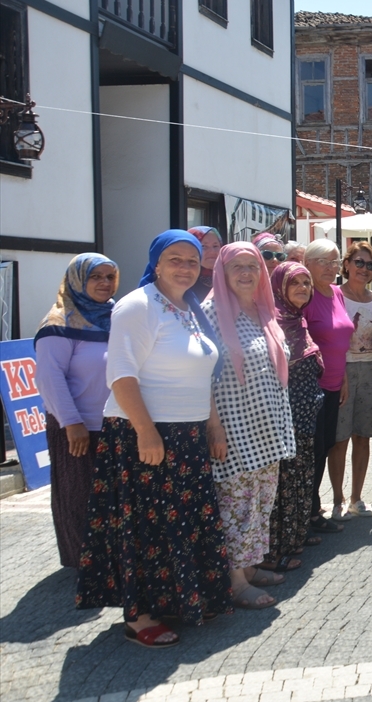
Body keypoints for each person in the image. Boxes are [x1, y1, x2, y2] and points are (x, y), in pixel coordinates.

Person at [76, 230, 231, 649]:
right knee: (144, 527)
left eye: (192, 261)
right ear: (156, 263)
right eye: (174, 259)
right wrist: (146, 431)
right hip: (144, 432)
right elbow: (121, 375)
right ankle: (139, 616)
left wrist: (213, 426)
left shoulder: (187, 307)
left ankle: (176, 599)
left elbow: (204, 374)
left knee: (177, 524)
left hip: (189, 432)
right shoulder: (137, 306)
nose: (184, 267)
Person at [202, 243, 295, 609]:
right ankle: (236, 581)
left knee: (260, 502)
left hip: (268, 428)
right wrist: (214, 429)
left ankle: (252, 566)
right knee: (235, 505)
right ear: (222, 273)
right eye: (237, 266)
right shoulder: (210, 313)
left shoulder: (264, 311)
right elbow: (203, 378)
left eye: (252, 266)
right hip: (233, 429)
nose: (246, 273)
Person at [34, 253, 119, 568]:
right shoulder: (59, 321)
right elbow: (49, 378)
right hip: (78, 429)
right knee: (79, 496)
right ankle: (86, 563)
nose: (104, 283)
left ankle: (113, 558)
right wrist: (72, 423)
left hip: (115, 424)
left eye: (110, 276)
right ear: (77, 279)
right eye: (96, 276)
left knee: (113, 497)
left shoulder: (116, 315)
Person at [263, 261, 324, 570]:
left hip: (304, 420)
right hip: (281, 423)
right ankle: (274, 552)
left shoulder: (298, 319)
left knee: (299, 480)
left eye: (306, 282)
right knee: (281, 486)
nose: (302, 288)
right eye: (294, 283)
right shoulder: (272, 323)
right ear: (279, 287)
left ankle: (294, 538)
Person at [327, 241, 372, 520]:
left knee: (363, 437)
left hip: (371, 369)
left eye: (370, 264)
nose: (363, 268)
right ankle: (337, 499)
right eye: (359, 262)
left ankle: (356, 498)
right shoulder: (333, 295)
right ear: (346, 264)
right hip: (341, 370)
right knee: (339, 438)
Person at [303, 239, 353, 536]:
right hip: (313, 388)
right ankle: (308, 512)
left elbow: (341, 340)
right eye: (324, 261)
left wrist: (344, 375)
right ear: (308, 263)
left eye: (335, 262)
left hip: (335, 384)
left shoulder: (336, 293)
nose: (331, 267)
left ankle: (312, 509)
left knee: (325, 447)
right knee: (313, 449)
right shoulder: (304, 295)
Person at [187, 226, 222, 301]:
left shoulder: (228, 277)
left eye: (215, 246)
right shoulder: (183, 279)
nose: (212, 251)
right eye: (204, 246)